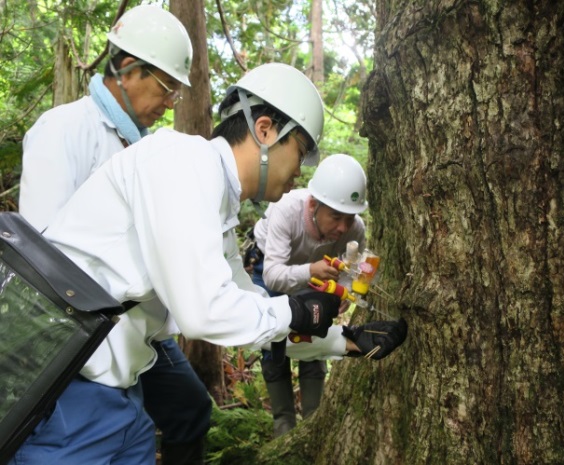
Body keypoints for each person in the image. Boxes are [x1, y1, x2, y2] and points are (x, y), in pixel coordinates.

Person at [9, 62, 408, 465]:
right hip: (66, 392)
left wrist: (347, 342)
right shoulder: (182, 159)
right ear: (265, 130)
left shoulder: (215, 201)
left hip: (117, 392)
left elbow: (249, 315)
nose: (298, 174)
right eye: (300, 153)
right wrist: (296, 310)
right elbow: (205, 311)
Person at [18, 6, 212, 464]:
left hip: (138, 327)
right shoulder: (64, 130)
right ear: (127, 71)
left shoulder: (144, 149)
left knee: (191, 408)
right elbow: (45, 251)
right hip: (82, 335)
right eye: (166, 87)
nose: (171, 102)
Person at [249, 153, 368, 436]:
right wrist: (310, 271)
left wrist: (342, 295)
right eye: (335, 217)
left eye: (349, 218)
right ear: (314, 204)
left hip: (315, 276)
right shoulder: (286, 209)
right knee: (274, 339)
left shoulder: (355, 230)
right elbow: (273, 274)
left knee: (315, 334)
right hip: (273, 266)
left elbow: (353, 273)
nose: (342, 227)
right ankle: (284, 427)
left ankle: (314, 424)